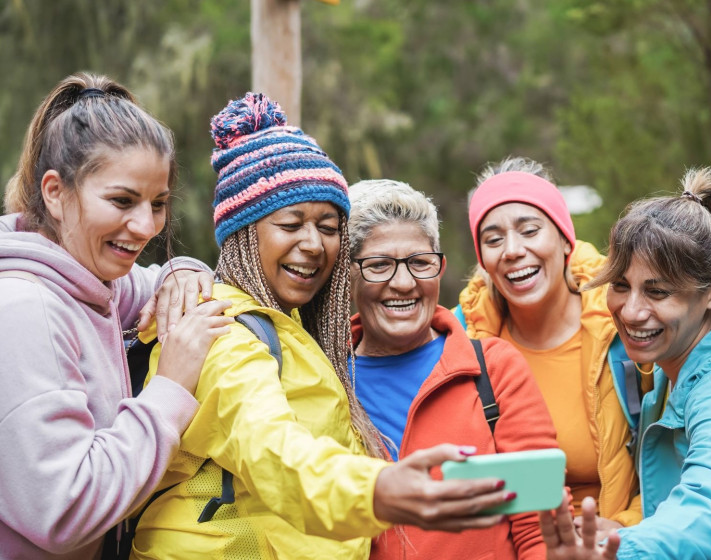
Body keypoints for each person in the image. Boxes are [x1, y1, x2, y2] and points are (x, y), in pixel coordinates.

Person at [130, 93, 511, 560]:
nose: (313, 244)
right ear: (243, 233)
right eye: (291, 223)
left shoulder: (292, 328)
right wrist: (384, 489)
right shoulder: (222, 331)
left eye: (329, 227)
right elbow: (278, 457)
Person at [0, 72, 233, 560]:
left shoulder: (89, 279)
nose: (146, 226)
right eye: (122, 201)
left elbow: (152, 283)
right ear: (55, 193)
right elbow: (64, 511)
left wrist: (183, 271)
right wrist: (170, 387)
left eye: (159, 204)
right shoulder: (26, 310)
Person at [539, 167, 711, 559]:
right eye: (620, 286)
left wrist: (625, 554)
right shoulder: (676, 352)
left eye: (657, 292)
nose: (632, 311)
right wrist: (627, 530)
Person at [347, 179, 559, 560]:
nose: (403, 283)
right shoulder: (322, 377)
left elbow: (538, 526)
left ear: (440, 267)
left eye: (419, 263)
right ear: (346, 276)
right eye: (379, 266)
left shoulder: (493, 369)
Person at [455, 157, 648, 537]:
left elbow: (674, 450)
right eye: (493, 239)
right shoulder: (460, 342)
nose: (512, 250)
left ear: (564, 239)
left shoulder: (628, 323)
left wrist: (626, 529)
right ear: (483, 260)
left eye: (529, 230)